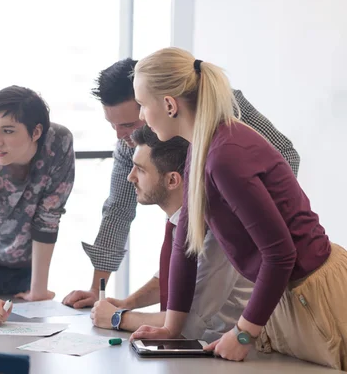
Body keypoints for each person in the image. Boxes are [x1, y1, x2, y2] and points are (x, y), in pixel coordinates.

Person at [130, 47, 347, 369]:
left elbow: (280, 255)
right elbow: (185, 243)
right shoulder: (201, 148)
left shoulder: (225, 155)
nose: (141, 116)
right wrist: (171, 327)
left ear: (169, 104)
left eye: (142, 105)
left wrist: (244, 333)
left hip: (313, 292)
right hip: (286, 294)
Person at [63, 58, 300, 309]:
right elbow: (118, 209)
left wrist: (242, 216)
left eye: (129, 123)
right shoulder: (130, 143)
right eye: (112, 125)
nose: (121, 136)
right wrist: (97, 290)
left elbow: (285, 155)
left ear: (162, 103)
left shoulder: (221, 115)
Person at [90, 126, 253, 342]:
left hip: (225, 351)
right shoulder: (180, 219)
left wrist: (118, 318)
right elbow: (168, 279)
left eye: (140, 169)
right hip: (194, 346)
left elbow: (187, 322)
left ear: (173, 180)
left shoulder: (216, 232)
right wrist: (126, 304)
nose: (130, 177)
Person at [0, 85, 75, 327]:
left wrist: (38, 291)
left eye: (7, 131)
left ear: (36, 131)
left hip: (24, 263)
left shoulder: (58, 143)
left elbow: (48, 218)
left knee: (24, 336)